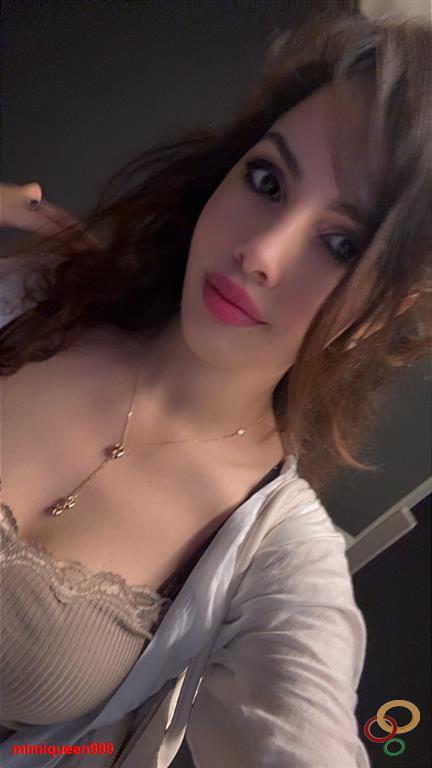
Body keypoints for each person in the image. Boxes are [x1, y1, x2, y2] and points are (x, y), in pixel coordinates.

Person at [0, 10, 430, 768]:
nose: (261, 251)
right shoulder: (34, 297)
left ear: (386, 312)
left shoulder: (277, 559)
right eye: (268, 181)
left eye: (342, 245)